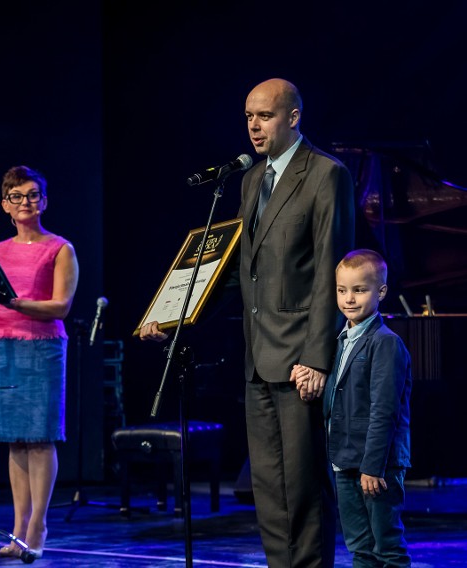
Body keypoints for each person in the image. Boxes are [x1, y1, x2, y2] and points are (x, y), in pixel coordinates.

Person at [141, 78, 355, 567]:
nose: (254, 127)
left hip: (301, 358)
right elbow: (239, 274)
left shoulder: (326, 174)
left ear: (293, 117)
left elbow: (330, 271)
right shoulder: (250, 179)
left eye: (265, 116)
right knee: (269, 489)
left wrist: (318, 357)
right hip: (258, 357)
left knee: (303, 486)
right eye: (248, 117)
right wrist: (177, 320)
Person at [0, 165, 79, 559]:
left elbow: (60, 306)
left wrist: (16, 302)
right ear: (5, 205)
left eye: (32, 195)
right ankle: (17, 530)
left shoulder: (60, 248)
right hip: (1, 348)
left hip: (41, 349)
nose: (25, 202)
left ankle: (37, 527)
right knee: (15, 441)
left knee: (40, 439)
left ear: (43, 201)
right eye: (17, 196)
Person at [296, 249, 411, 566]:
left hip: (376, 464)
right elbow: (339, 397)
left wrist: (372, 466)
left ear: (381, 291)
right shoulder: (338, 340)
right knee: (360, 547)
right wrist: (309, 383)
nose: (349, 298)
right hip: (344, 459)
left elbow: (384, 411)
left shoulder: (385, 343)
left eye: (359, 290)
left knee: (386, 547)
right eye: (341, 290)